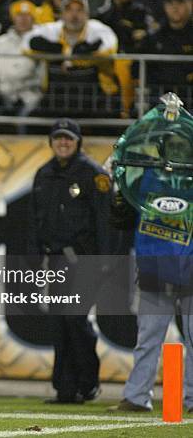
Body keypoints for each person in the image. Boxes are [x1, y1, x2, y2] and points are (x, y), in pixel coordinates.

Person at [109, 97, 193, 412]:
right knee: (148, 339)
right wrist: (116, 193)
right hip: (154, 268)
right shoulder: (144, 178)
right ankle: (136, 397)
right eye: (170, 144)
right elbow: (122, 216)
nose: (175, 150)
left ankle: (188, 399)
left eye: (179, 144)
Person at [28, 118, 111, 403]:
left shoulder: (93, 175)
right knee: (59, 323)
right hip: (55, 261)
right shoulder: (43, 174)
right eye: (58, 138)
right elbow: (36, 221)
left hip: (85, 259)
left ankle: (87, 383)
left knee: (75, 319)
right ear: (51, 142)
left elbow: (105, 221)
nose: (63, 143)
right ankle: (65, 389)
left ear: (78, 143)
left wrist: (106, 261)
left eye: (68, 139)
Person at [22, 0, 119, 117]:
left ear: (87, 14)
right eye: (69, 10)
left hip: (96, 98)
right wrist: (63, 51)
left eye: (79, 10)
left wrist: (69, 58)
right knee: (33, 121)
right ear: (62, 14)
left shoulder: (97, 29)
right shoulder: (52, 29)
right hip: (57, 98)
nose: (74, 15)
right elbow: (26, 46)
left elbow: (108, 48)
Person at [0, 0, 43, 133]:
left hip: (27, 98)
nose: (23, 19)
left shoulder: (39, 42)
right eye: (19, 15)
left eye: (27, 16)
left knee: (27, 119)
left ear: (33, 18)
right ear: (14, 18)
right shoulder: (1, 42)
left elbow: (40, 75)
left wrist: (21, 96)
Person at [144, 0, 192, 105]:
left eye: (180, 3)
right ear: (164, 6)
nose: (175, 8)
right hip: (162, 98)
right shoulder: (155, 37)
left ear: (190, 4)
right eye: (170, 3)